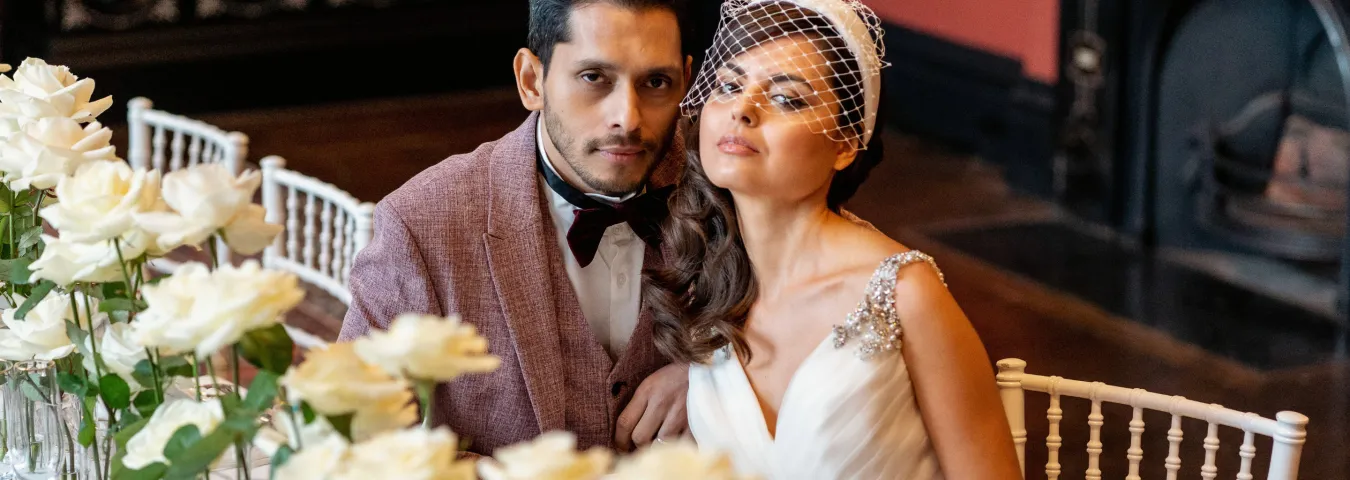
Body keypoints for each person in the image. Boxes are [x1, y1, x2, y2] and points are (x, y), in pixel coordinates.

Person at [643, 0, 1024, 477]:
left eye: (786, 98)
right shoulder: (709, 279)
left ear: (845, 145)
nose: (743, 109)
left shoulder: (904, 294)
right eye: (729, 85)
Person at [340, 0, 695, 456]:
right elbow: (353, 438)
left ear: (684, 79)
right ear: (532, 81)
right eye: (594, 78)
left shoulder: (729, 187)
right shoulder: (425, 222)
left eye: (655, 82)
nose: (627, 118)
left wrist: (715, 380)